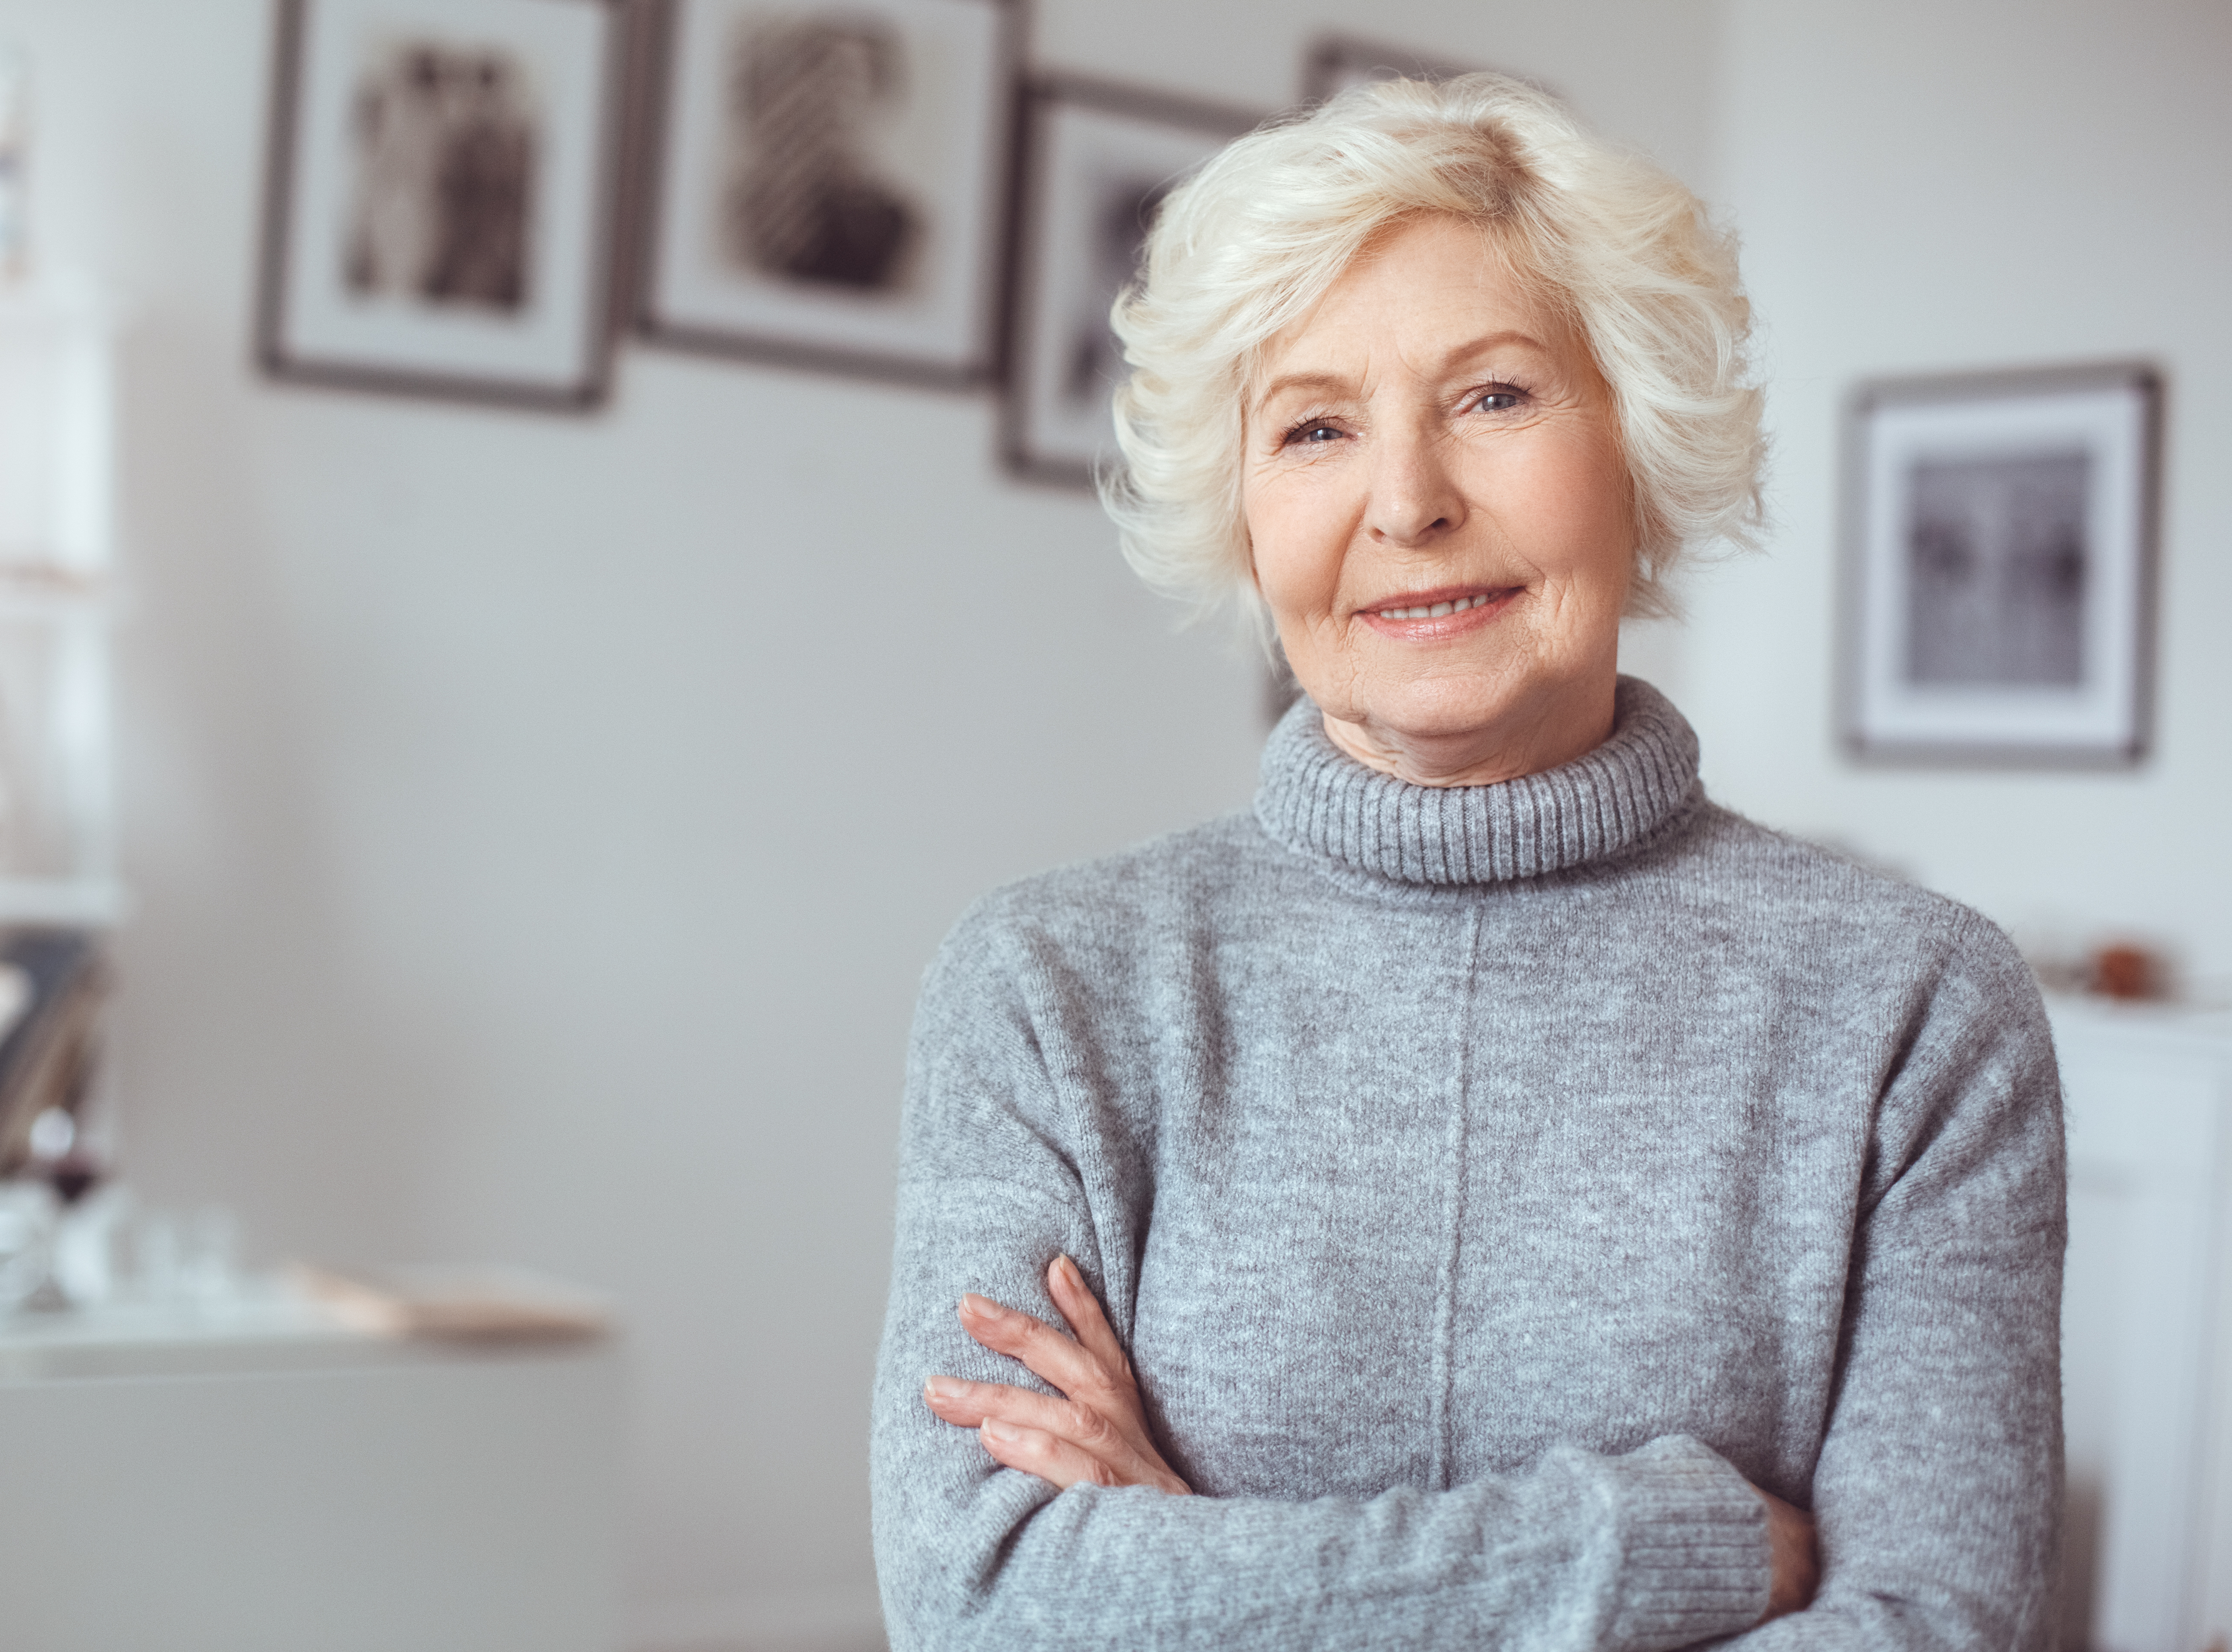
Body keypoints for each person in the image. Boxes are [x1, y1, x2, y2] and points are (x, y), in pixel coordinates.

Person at [869, 72, 2062, 1651]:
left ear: (1638, 438)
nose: (1411, 501)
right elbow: (990, 1600)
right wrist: (1666, 1545)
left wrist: (1196, 1569)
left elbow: (1933, 1628)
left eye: (1496, 398)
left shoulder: (1918, 1009)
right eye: (1314, 427)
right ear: (1242, 507)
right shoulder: (1046, 988)